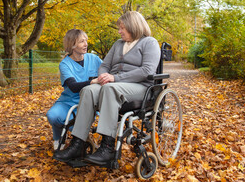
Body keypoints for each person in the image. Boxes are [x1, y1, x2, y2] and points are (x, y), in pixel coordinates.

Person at [53, 11, 161, 165]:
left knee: (110, 89)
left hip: (139, 87)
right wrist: (104, 76)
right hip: (113, 84)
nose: (119, 31)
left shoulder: (149, 43)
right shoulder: (118, 44)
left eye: (122, 28)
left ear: (133, 26)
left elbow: (147, 71)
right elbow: (105, 65)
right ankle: (78, 143)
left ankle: (108, 147)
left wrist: (115, 78)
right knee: (89, 90)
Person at [46, 29, 102, 150]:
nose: (86, 44)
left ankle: (81, 137)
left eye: (86, 41)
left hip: (88, 102)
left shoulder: (94, 59)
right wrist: (92, 81)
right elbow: (73, 86)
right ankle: (58, 138)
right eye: (82, 41)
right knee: (53, 116)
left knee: (77, 127)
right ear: (72, 44)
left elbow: (107, 71)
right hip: (68, 101)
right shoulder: (65, 64)